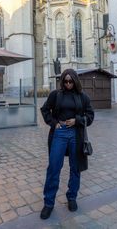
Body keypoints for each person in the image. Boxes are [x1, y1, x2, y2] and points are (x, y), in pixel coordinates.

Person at [40, 68, 94, 219]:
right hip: (60, 132)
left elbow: (90, 116)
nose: (68, 84)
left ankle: (72, 198)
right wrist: (54, 123)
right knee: (53, 168)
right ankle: (48, 203)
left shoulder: (83, 97)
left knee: (75, 168)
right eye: (65, 81)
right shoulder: (55, 95)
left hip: (76, 134)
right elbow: (44, 110)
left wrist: (77, 120)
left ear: (75, 81)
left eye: (71, 81)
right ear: (62, 81)